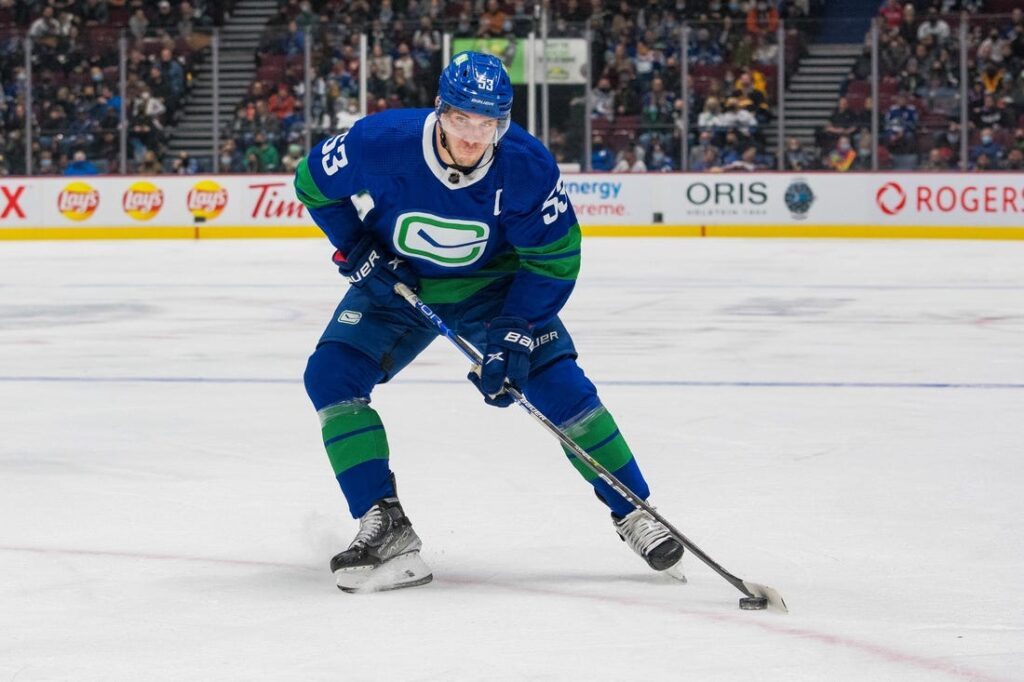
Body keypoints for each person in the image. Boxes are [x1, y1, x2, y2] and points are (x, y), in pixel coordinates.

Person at [294, 51, 685, 593]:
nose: (474, 137)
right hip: (398, 285)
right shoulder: (380, 141)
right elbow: (312, 183)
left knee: (561, 388)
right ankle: (385, 523)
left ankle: (635, 510)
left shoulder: (526, 165)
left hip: (494, 291)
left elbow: (553, 260)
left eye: (488, 123)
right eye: (462, 119)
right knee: (331, 376)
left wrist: (516, 330)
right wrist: (356, 245)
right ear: (440, 108)